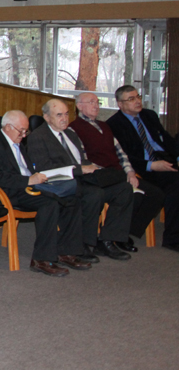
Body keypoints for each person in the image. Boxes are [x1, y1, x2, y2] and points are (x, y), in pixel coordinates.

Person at [0, 110, 91, 276]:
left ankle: (66, 252)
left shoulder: (17, 142)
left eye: (25, 131)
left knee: (72, 199)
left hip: (29, 186)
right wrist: (28, 181)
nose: (24, 135)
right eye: (21, 130)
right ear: (8, 127)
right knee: (49, 204)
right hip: (8, 191)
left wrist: (38, 178)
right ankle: (41, 260)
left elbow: (27, 168)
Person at [27, 98, 134, 261]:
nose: (64, 118)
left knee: (123, 189)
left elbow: (81, 160)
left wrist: (94, 167)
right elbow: (44, 168)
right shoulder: (38, 137)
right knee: (94, 194)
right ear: (47, 117)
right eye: (59, 115)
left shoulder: (70, 133)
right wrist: (79, 169)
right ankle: (82, 244)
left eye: (66, 114)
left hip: (84, 178)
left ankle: (107, 240)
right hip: (62, 183)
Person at [70, 92, 166, 253]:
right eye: (91, 102)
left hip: (118, 174)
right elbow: (83, 160)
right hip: (100, 177)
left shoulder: (105, 126)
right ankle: (115, 235)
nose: (96, 105)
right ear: (79, 106)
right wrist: (110, 174)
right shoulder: (74, 129)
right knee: (131, 194)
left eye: (97, 102)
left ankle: (124, 233)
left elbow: (121, 154)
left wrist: (130, 172)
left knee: (155, 194)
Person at [106, 85, 179, 253]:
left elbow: (166, 139)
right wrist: (152, 165)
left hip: (163, 159)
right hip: (143, 166)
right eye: (131, 99)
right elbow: (125, 156)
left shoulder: (149, 115)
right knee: (176, 184)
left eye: (138, 97)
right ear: (120, 104)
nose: (137, 101)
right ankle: (172, 239)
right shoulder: (114, 124)